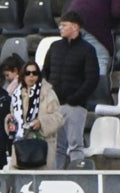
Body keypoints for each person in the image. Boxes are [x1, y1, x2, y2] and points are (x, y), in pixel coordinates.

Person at [42, 11, 100, 168]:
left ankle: (78, 176)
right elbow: (46, 71)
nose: (60, 27)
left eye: (64, 25)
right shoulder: (54, 47)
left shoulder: (87, 50)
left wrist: (76, 98)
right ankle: (55, 179)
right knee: (57, 147)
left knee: (75, 145)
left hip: (75, 105)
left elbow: (92, 79)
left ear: (75, 27)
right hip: (55, 105)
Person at [8, 60, 65, 170]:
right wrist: (9, 121)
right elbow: (13, 118)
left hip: (42, 146)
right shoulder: (16, 95)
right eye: (27, 73)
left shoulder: (48, 92)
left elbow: (59, 118)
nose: (31, 76)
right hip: (21, 146)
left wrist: (41, 123)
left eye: (34, 73)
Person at [64, 0, 120, 81]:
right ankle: (99, 90)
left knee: (79, 59)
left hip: (72, 16)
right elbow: (118, 10)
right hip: (89, 21)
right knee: (101, 58)